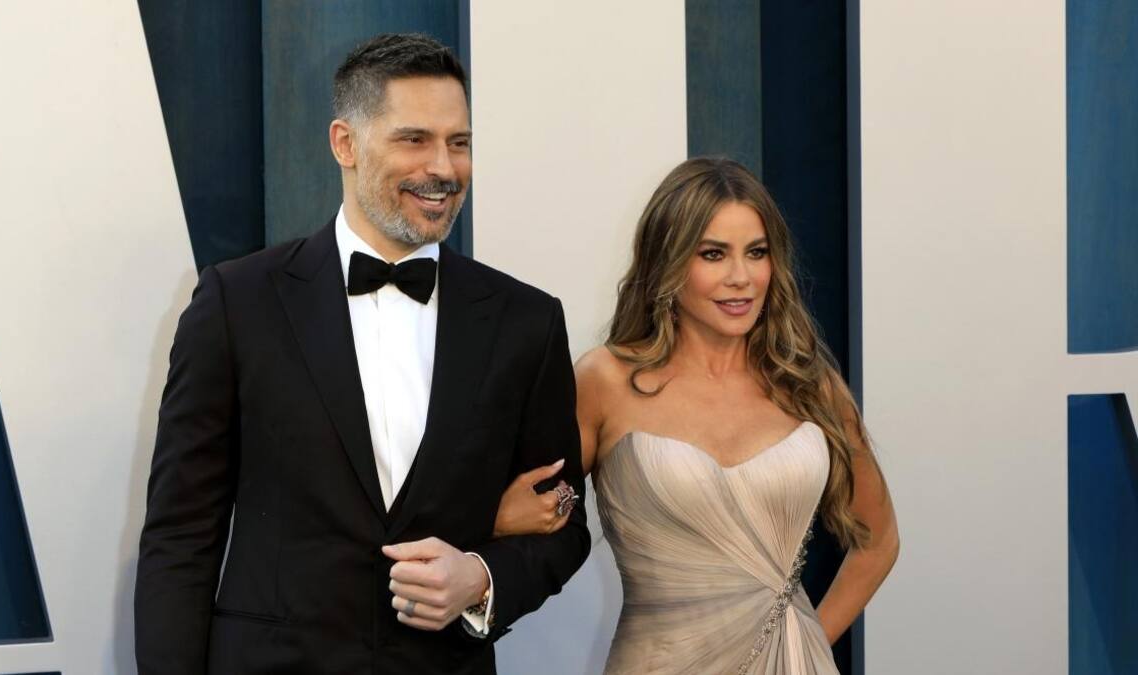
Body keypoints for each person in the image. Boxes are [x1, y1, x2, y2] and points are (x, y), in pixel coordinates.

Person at [134, 33, 589, 674]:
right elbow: (181, 535)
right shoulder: (237, 303)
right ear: (345, 143)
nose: (443, 167)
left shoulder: (526, 320)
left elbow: (564, 521)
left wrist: (480, 576)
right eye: (414, 139)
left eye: (459, 142)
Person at [494, 158, 899, 674]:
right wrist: (499, 519)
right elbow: (548, 507)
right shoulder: (605, 381)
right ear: (668, 261)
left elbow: (879, 541)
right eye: (713, 254)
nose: (741, 277)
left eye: (757, 253)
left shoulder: (808, 384)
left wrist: (808, 642)